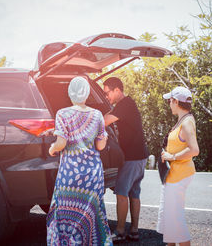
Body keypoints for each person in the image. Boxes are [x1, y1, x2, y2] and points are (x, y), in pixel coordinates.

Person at [46, 76, 113, 246]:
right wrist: (103, 136)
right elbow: (100, 146)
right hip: (92, 175)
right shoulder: (97, 115)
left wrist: (52, 148)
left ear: (70, 93)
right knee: (91, 213)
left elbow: (61, 143)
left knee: (66, 212)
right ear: (88, 93)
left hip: (70, 174)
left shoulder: (62, 113)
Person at [103, 77, 148, 243]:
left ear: (117, 90)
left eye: (107, 92)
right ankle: (134, 231)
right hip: (140, 156)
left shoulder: (124, 105)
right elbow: (109, 114)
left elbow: (104, 121)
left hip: (131, 158)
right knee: (134, 193)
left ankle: (120, 232)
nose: (106, 96)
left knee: (122, 194)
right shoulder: (126, 104)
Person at [157, 86, 200, 246]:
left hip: (179, 176)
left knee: (176, 220)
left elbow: (194, 150)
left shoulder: (187, 122)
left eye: (170, 101)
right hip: (174, 175)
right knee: (170, 220)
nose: (169, 103)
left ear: (176, 102)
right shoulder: (183, 119)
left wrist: (172, 156)